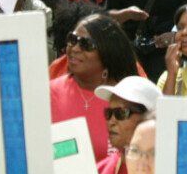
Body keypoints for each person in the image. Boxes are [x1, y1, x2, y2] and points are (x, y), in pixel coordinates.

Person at [52, 12, 140, 163]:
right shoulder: (49, 93)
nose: (75, 48)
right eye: (72, 40)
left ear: (108, 52)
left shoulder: (128, 98)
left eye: (86, 44)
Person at [95, 76, 158, 174]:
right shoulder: (99, 172)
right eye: (109, 113)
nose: (111, 121)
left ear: (148, 118)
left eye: (122, 113)